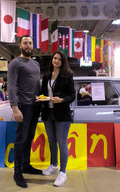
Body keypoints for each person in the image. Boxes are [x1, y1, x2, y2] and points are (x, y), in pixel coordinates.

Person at [7, 35, 42, 188]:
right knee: (21, 139)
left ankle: (26, 165)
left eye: (30, 43)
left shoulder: (35, 63)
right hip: (23, 106)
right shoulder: (16, 63)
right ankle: (17, 172)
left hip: (35, 106)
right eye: (25, 43)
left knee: (30, 137)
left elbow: (36, 85)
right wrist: (15, 108)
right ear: (20, 46)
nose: (28, 45)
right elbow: (11, 86)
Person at [40, 51, 75, 187]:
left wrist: (61, 100)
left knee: (62, 143)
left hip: (62, 114)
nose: (56, 61)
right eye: (55, 58)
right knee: (51, 141)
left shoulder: (67, 76)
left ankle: (63, 172)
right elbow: (43, 93)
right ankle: (54, 165)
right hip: (48, 113)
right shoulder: (47, 76)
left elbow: (72, 96)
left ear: (63, 61)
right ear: (52, 60)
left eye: (59, 59)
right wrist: (41, 98)